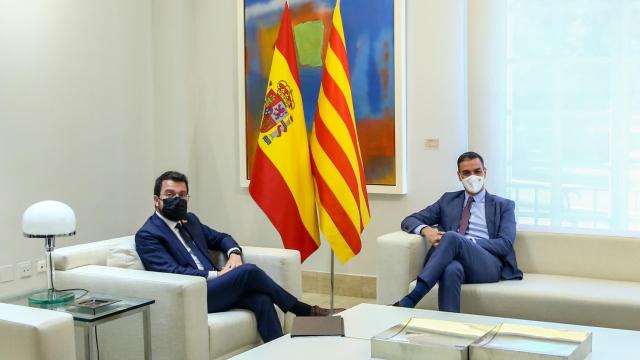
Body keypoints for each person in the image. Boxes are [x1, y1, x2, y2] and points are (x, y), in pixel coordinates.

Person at [135, 171, 340, 343]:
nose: (177, 200)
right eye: (170, 195)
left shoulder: (190, 220)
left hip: (213, 288)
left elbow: (222, 238)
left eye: (182, 195)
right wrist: (217, 274)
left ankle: (279, 353)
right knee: (249, 271)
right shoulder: (148, 234)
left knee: (261, 299)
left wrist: (234, 254)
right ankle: (304, 310)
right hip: (191, 294)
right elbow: (170, 272)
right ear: (156, 200)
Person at [394, 152, 523, 312]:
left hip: (488, 264)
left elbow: (505, 244)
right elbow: (409, 220)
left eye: (477, 171)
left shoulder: (504, 205)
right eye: (466, 173)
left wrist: (467, 242)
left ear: (485, 172)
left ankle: (412, 298)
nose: (472, 176)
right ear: (459, 176)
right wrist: (427, 230)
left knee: (452, 237)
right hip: (453, 260)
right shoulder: (447, 200)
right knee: (450, 269)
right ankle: (449, 326)